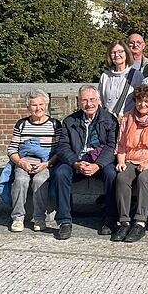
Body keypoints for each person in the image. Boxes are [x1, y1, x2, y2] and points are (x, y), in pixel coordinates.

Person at [52, 85, 118, 240]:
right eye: (85, 100)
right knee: (60, 173)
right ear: (79, 102)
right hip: (76, 160)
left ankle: (109, 218)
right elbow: (63, 146)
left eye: (92, 99)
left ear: (99, 100)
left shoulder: (110, 120)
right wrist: (75, 162)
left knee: (111, 173)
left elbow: (111, 145)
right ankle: (64, 221)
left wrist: (98, 165)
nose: (89, 104)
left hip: (99, 161)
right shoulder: (70, 121)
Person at [112, 85, 148, 243]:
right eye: (139, 101)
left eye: (146, 101)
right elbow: (121, 144)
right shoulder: (128, 118)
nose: (142, 105)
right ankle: (123, 221)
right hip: (131, 158)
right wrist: (121, 162)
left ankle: (140, 222)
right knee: (122, 178)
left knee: (144, 178)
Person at [5, 90, 62, 232]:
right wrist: (21, 163)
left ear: (46, 105)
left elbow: (60, 150)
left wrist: (47, 164)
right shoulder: (21, 124)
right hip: (24, 163)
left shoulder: (55, 124)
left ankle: (39, 218)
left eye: (41, 104)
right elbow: (12, 149)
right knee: (20, 180)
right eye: (34, 105)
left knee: (39, 180)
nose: (38, 108)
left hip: (46, 163)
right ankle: (18, 218)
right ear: (28, 108)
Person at [98, 40, 144, 118]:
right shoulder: (105, 76)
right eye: (113, 52)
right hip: (108, 122)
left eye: (120, 51)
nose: (117, 55)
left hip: (128, 121)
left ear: (126, 53)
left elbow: (141, 100)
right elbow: (100, 100)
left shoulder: (136, 75)